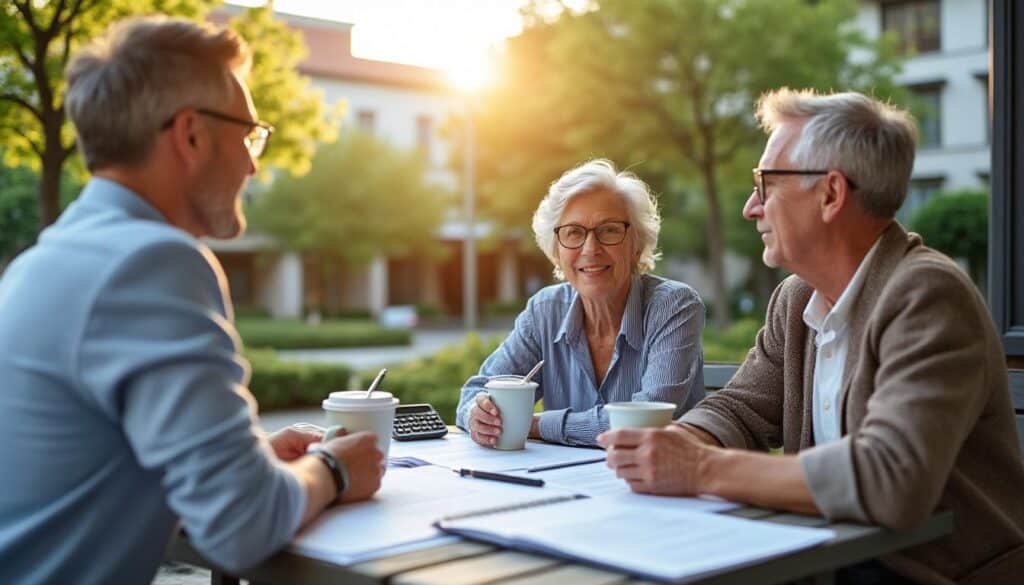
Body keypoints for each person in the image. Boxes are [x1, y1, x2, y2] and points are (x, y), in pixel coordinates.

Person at [0, 17, 384, 585]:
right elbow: (242, 525)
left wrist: (248, 460)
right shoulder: (149, 262)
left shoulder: (49, 259)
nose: (254, 164)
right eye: (249, 134)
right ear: (192, 135)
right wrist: (332, 468)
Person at [600, 89, 1024, 583]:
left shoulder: (927, 294)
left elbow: (891, 478)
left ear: (830, 194)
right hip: (831, 560)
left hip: (930, 573)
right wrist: (673, 445)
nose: (750, 207)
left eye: (765, 183)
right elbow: (738, 407)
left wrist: (699, 468)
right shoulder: (796, 298)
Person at [457, 160, 705, 447]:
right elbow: (474, 392)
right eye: (573, 233)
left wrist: (532, 423)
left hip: (658, 484)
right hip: (563, 483)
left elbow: (644, 422)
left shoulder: (674, 306)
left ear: (636, 245)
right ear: (556, 252)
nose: (591, 249)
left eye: (609, 230)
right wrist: (478, 416)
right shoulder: (544, 311)